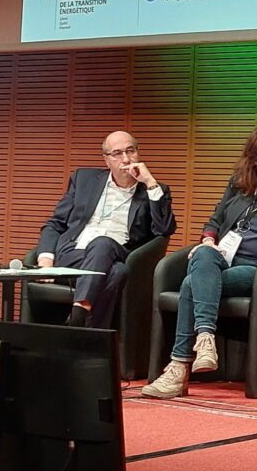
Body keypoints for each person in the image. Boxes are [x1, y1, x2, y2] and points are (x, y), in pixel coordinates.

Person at [143, 126, 257, 399]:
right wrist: (208, 240)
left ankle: (181, 366)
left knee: (190, 283)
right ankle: (204, 340)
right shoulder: (240, 184)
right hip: (222, 260)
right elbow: (215, 221)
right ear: (256, 159)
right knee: (203, 254)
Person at [35, 130, 176, 328]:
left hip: (118, 251)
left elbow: (164, 229)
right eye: (117, 153)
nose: (125, 159)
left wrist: (150, 183)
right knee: (117, 272)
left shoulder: (153, 190)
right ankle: (90, 337)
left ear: (138, 153)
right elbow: (56, 222)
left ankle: (78, 316)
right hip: (73, 253)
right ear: (106, 160)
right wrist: (45, 260)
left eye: (131, 151)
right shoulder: (84, 179)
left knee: (102, 244)